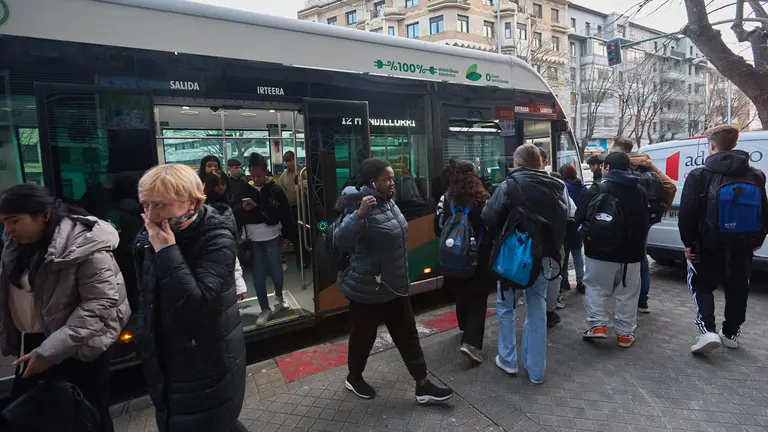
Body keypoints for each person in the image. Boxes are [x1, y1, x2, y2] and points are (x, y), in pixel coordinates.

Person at [0, 183, 131, 432]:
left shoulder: (85, 244)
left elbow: (100, 303)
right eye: (4, 222)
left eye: (14, 220)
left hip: (78, 346)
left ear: (44, 214)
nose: (7, 229)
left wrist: (49, 351)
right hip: (35, 342)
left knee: (85, 417)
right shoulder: (16, 244)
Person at [134, 164, 246, 432]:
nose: (150, 215)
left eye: (160, 205)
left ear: (192, 203)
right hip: (168, 359)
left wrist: (167, 251)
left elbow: (197, 307)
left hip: (205, 363)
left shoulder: (216, 237)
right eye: (145, 205)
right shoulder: (151, 234)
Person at [334, 158, 453, 403]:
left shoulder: (388, 203)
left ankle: (423, 384)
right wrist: (358, 215)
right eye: (387, 179)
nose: (392, 182)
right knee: (362, 339)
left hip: (395, 287)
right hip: (367, 290)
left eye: (392, 177)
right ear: (372, 182)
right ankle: (354, 377)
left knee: (408, 336)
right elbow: (340, 240)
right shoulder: (359, 206)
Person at [678, 125, 768, 354]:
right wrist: (758, 240)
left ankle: (708, 331)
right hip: (743, 243)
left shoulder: (700, 175)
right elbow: (764, 211)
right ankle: (730, 334)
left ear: (711, 146)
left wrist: (688, 243)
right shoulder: (756, 175)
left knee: (702, 285)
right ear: (734, 145)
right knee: (738, 287)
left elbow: (688, 211)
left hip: (707, 242)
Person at [482, 144, 567, 384]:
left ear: (516, 164)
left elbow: (489, 217)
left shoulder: (509, 185)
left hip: (512, 258)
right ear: (540, 163)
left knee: (506, 306)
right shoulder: (557, 186)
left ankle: (508, 360)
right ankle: (536, 371)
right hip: (544, 257)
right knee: (537, 309)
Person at [577, 152, 649, 348]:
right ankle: (625, 334)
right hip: (631, 255)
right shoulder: (639, 190)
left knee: (596, 287)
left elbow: (579, 217)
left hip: (599, 251)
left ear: (606, 167)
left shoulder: (598, 189)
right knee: (628, 293)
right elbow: (645, 221)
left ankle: (598, 325)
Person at [434, 161, 492, 364]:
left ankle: (463, 325)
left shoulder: (446, 198)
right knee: (478, 298)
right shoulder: (482, 198)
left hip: (454, 256)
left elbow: (437, 227)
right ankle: (471, 342)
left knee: (461, 291)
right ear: (475, 175)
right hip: (479, 256)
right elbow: (491, 225)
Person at [611, 137, 677, 313]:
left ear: (618, 150)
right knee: (641, 257)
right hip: (644, 218)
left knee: (616, 254)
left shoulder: (619, 164)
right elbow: (670, 186)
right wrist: (661, 209)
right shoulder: (646, 163)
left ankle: (620, 295)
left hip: (621, 216)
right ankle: (642, 300)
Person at [233, 153, 293, 326]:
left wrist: (288, 236)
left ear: (266, 172)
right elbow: (234, 209)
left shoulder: (275, 189)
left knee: (276, 271)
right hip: (253, 237)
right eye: (252, 176)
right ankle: (264, 307)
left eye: (258, 176)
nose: (255, 179)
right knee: (258, 275)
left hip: (273, 233)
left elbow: (285, 213)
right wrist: (243, 208)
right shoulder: (244, 188)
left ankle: (279, 296)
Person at [276, 150, 310, 269]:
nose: (288, 164)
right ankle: (299, 260)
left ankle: (307, 259)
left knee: (306, 234)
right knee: (296, 236)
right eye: (286, 162)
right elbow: (280, 191)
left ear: (295, 159)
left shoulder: (303, 172)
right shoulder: (283, 176)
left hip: (304, 206)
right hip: (291, 208)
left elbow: (308, 188)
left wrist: (300, 185)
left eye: (290, 161)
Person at [559, 164, 588, 294]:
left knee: (563, 256)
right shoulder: (583, 188)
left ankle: (563, 281)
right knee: (577, 254)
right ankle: (581, 281)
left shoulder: (562, 186)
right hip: (579, 226)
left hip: (566, 226)